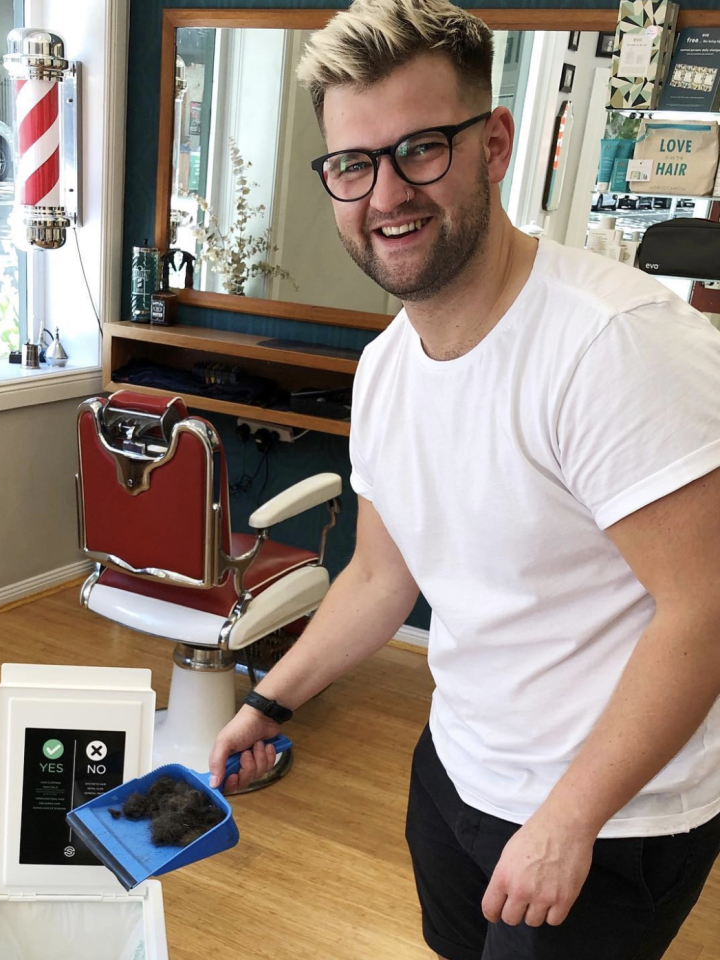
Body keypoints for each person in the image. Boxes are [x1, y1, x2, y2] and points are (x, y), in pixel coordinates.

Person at [207, 2, 720, 958]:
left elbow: (706, 608)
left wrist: (569, 818)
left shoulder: (614, 346)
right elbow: (379, 577)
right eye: (354, 165)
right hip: (457, 776)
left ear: (493, 144)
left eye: (422, 149)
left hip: (608, 820)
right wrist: (270, 700)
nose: (387, 193)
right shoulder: (388, 366)